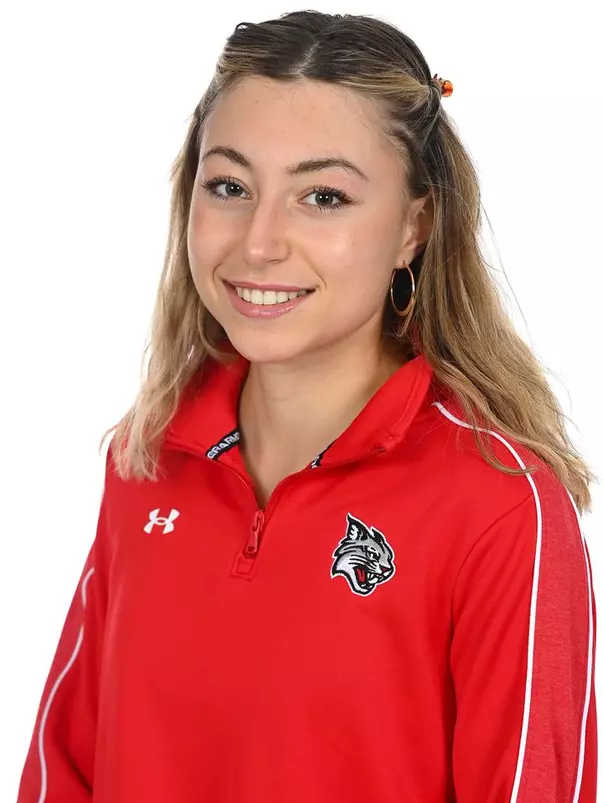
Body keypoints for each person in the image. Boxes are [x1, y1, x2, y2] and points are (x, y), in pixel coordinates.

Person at [17, 10, 597, 803]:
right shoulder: (146, 458)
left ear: (413, 227)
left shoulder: (499, 505)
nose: (258, 241)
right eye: (229, 186)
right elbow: (64, 770)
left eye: (322, 196)